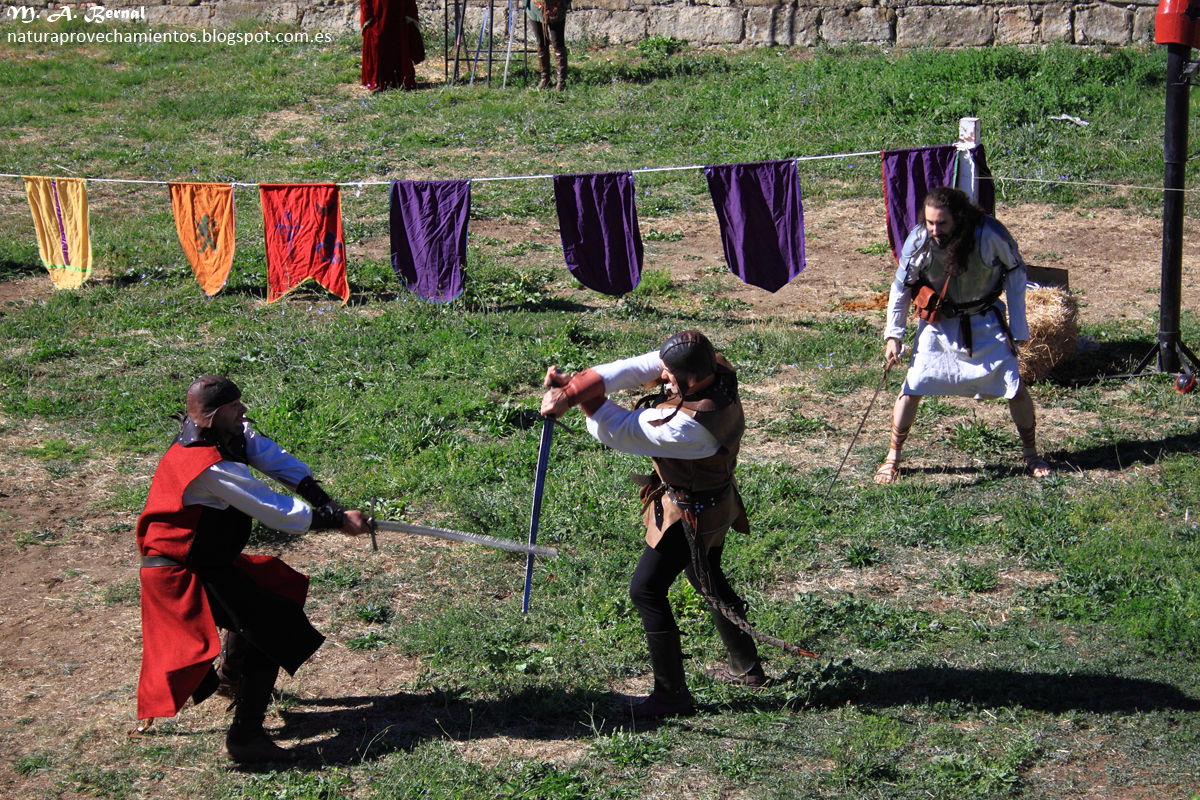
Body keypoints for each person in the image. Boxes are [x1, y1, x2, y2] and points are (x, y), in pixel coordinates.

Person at [135, 376, 371, 762]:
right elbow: (270, 508)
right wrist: (333, 521)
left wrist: (326, 503)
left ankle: (232, 678)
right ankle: (245, 737)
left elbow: (276, 461)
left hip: (208, 562)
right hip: (180, 573)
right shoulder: (206, 465)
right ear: (211, 416)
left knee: (271, 594)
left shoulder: (229, 436)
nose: (242, 411)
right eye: (233, 407)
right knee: (273, 624)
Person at [541, 331, 764, 719]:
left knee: (646, 590)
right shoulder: (715, 365)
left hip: (690, 514)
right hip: (714, 500)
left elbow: (615, 429)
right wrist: (574, 388)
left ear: (691, 380)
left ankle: (672, 696)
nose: (664, 379)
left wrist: (576, 398)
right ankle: (748, 668)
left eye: (672, 378)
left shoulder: (688, 426)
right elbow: (638, 367)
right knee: (704, 574)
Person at [875, 186, 1050, 483]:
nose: (935, 229)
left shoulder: (988, 233)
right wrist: (894, 335)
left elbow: (1016, 270)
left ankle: (1031, 452)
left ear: (958, 217)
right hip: (939, 324)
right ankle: (893, 456)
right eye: (930, 222)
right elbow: (902, 285)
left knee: (1014, 386)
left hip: (984, 322)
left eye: (941, 223)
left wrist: (1019, 326)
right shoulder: (920, 239)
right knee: (913, 385)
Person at [361, 0, 421, 91]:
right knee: (380, 42)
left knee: (397, 44)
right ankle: (379, 81)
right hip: (378, 13)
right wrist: (367, 13)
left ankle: (400, 81)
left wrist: (409, 11)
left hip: (398, 13)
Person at [524, 0, 568, 90]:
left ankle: (561, 81)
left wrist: (565, 3)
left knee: (558, 43)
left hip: (557, 7)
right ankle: (545, 79)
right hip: (535, 7)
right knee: (541, 42)